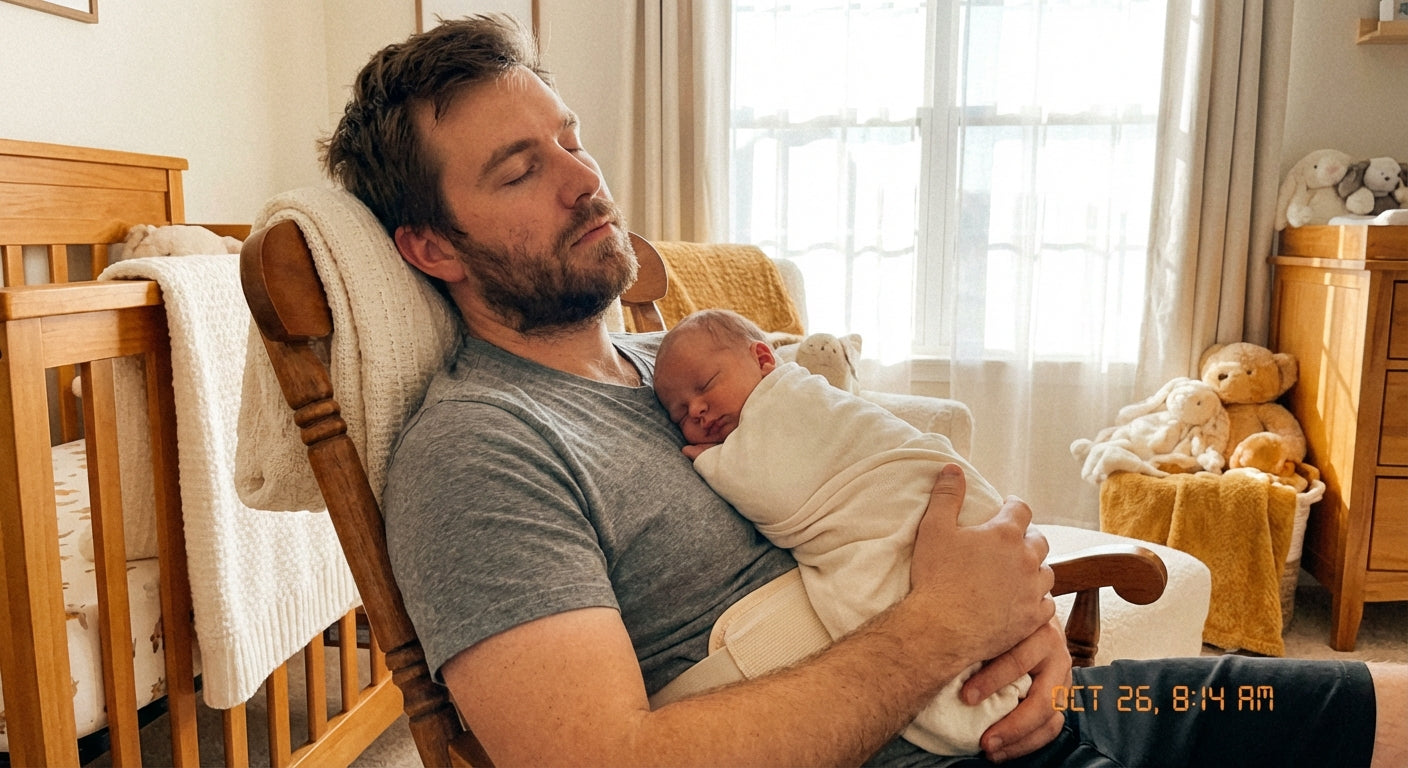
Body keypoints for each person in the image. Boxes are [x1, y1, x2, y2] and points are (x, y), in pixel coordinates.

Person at [322, 14, 1405, 767]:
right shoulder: (480, 451)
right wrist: (946, 629)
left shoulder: (676, 372)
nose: (583, 179)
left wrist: (1021, 623)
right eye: (519, 170)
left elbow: (883, 512)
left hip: (1042, 705)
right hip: (922, 758)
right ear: (430, 247)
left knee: (1390, 708)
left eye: (571, 139)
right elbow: (603, 759)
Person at [653, 308, 1030, 756]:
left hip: (916, 497)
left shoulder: (792, 400)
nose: (695, 409)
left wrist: (714, 463)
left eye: (707, 385)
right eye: (678, 412)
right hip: (870, 701)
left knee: (1133, 700)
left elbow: (776, 490)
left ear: (763, 359)